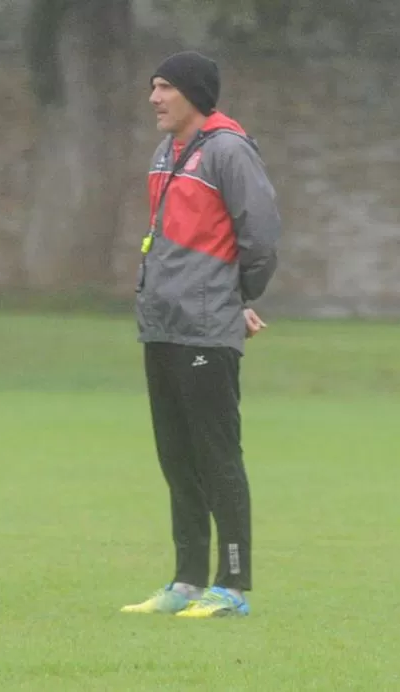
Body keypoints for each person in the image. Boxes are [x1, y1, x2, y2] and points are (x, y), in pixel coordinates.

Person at [122, 51, 281, 618]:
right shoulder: (167, 151)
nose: (154, 98)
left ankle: (231, 586)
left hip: (204, 328)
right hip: (162, 325)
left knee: (217, 455)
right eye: (153, 86)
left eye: (164, 87)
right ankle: (186, 581)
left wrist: (238, 298)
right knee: (177, 455)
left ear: (192, 93)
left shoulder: (230, 152)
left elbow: (259, 238)